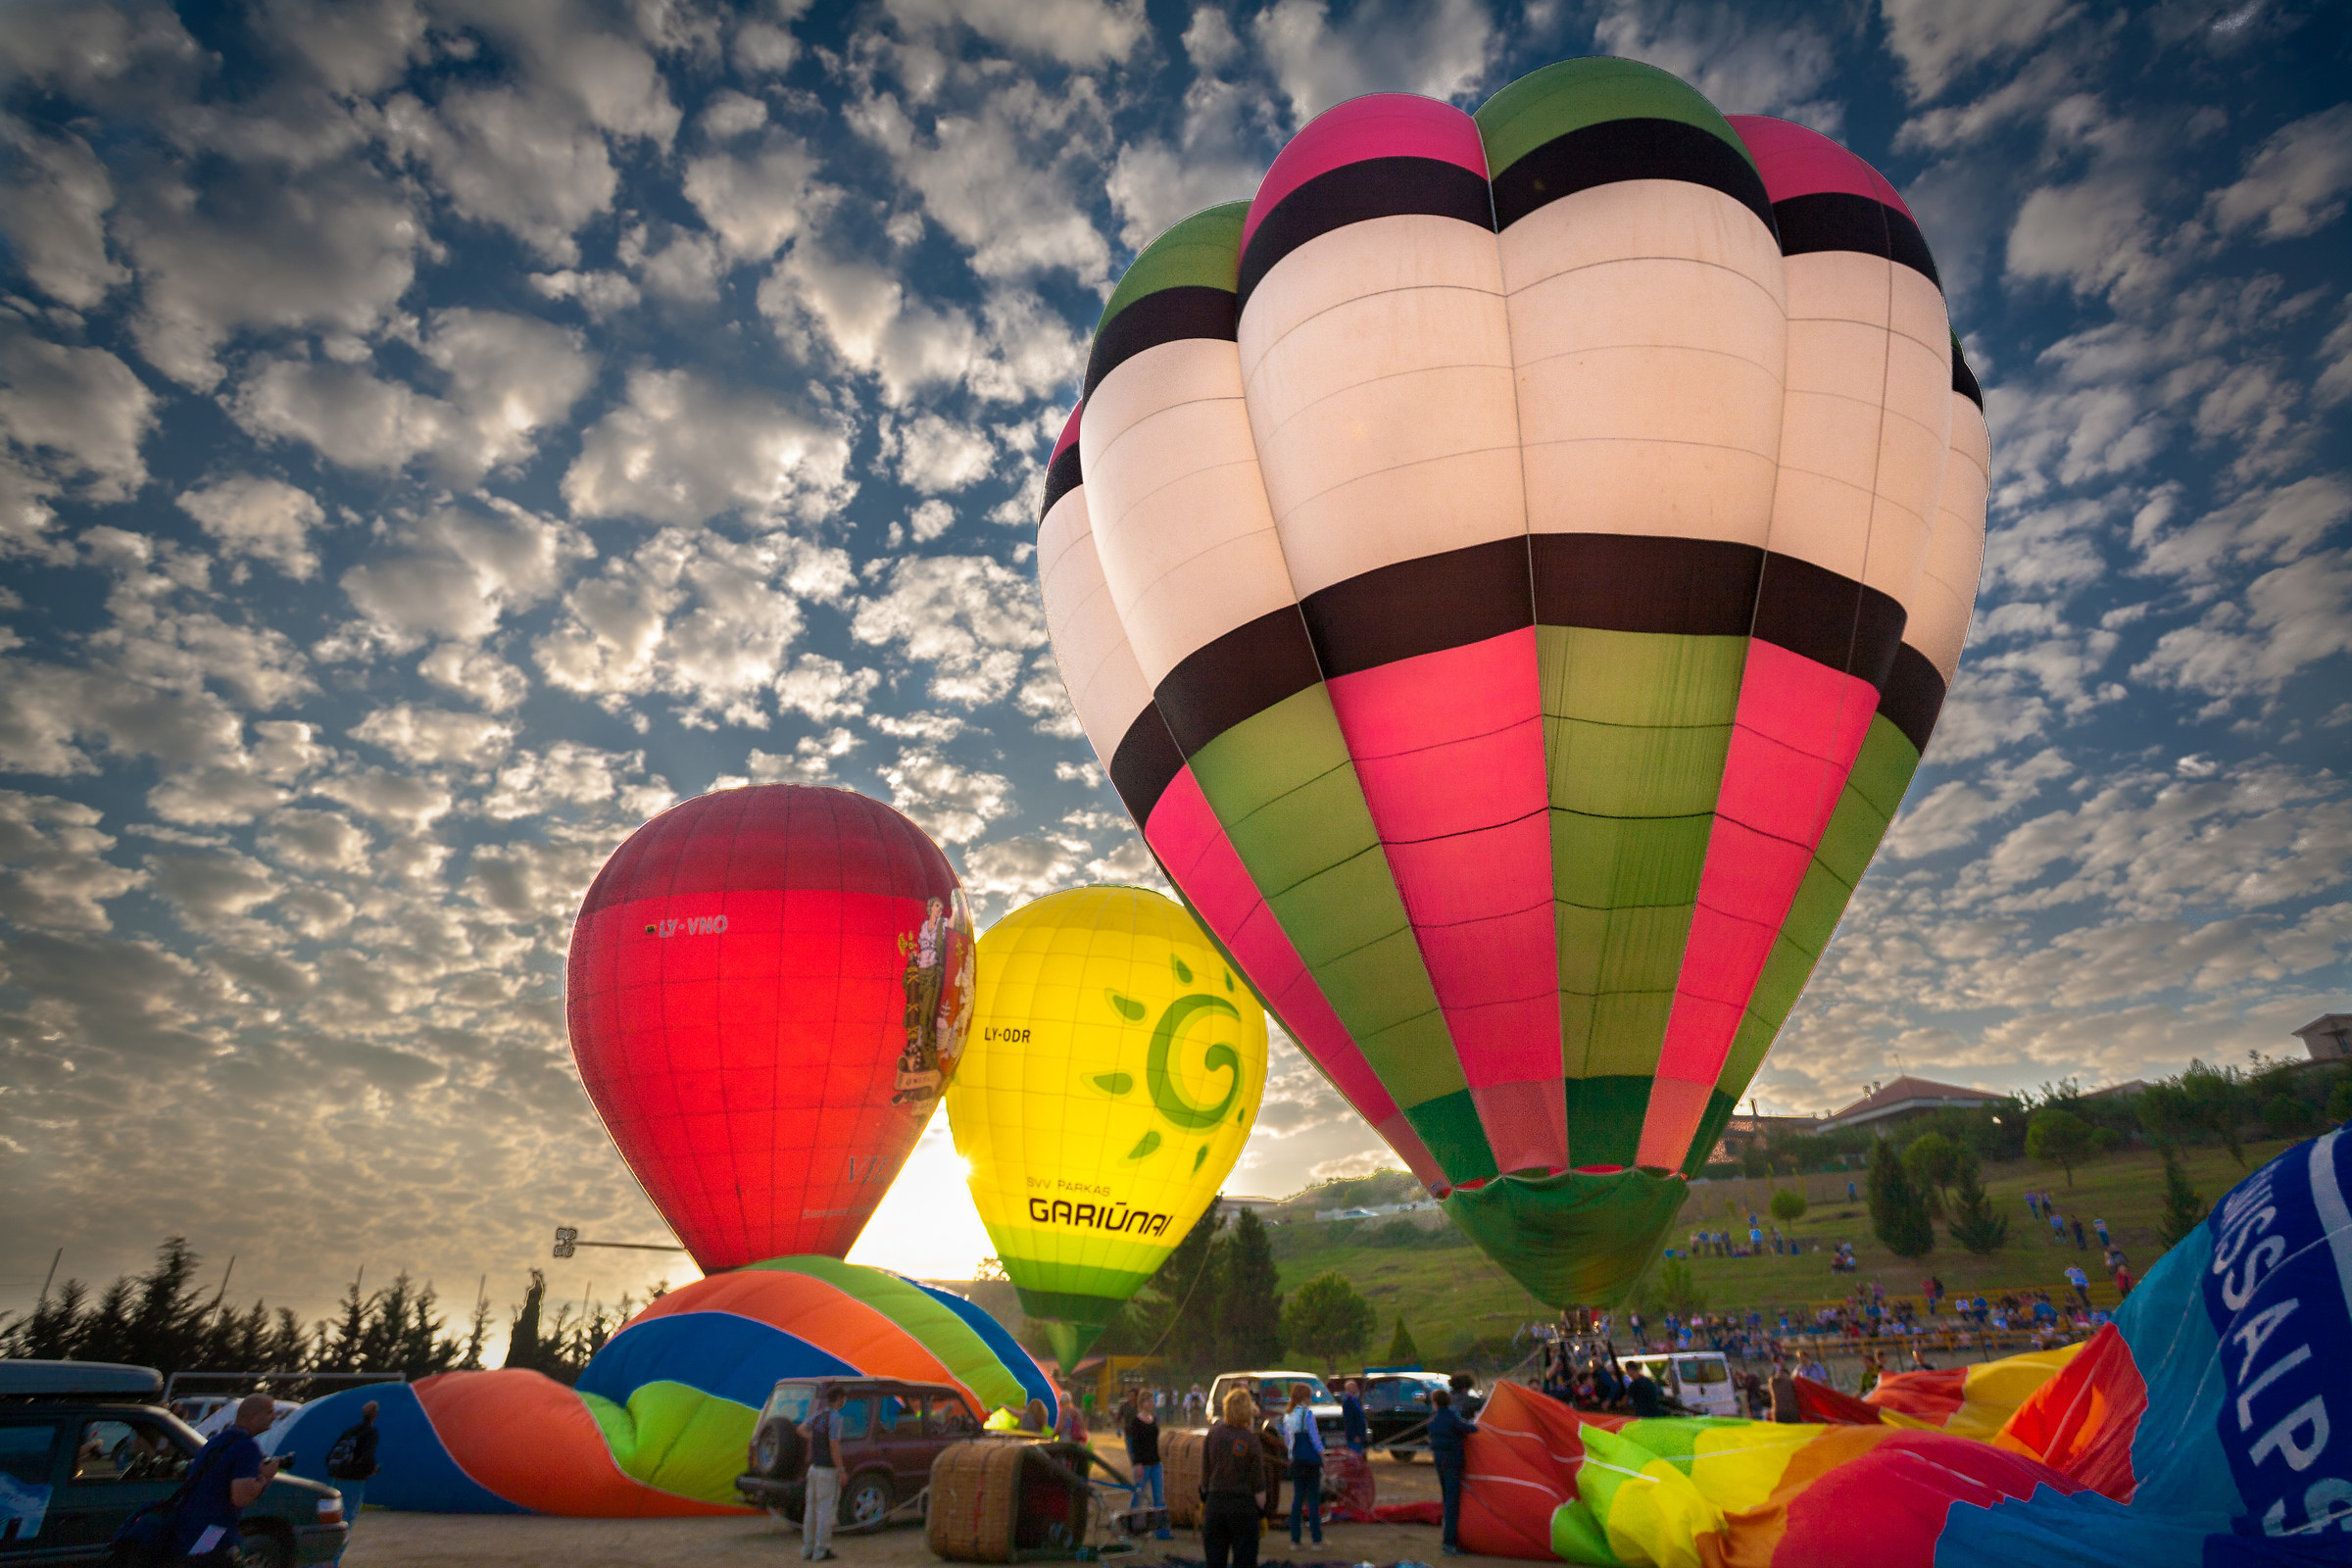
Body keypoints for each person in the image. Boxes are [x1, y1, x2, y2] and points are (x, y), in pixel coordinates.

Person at [171, 1393, 287, 1562]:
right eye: (269, 1412)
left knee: (197, 1561)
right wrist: (265, 1477)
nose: (274, 1416)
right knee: (206, 1561)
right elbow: (240, 1497)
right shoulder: (247, 1447)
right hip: (214, 1529)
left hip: (189, 1525)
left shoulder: (218, 1441)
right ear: (252, 1417)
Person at [1200, 1389, 1264, 1568]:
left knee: (1215, 1560)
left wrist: (1205, 1497)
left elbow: (1205, 1473)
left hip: (1215, 1505)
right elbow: (1258, 1480)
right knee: (1245, 1560)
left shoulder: (1213, 1435)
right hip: (1243, 1506)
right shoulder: (1250, 1440)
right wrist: (1262, 1511)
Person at [1428, 1386, 1477, 1556]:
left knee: (1447, 1499)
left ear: (1435, 1403)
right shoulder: (1451, 1418)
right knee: (1452, 1503)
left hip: (1439, 1463)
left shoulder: (1433, 1420)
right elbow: (1472, 1429)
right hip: (1453, 1464)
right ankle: (1449, 1542)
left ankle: (1448, 1539)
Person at [802, 1387, 847, 1561]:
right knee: (825, 1512)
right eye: (844, 1398)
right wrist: (841, 1470)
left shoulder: (819, 1416)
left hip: (813, 1469)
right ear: (839, 1399)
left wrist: (815, 1440)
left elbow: (801, 1429)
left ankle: (807, 1549)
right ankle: (821, 1550)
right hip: (827, 1470)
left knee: (810, 1511)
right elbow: (834, 1447)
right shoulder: (836, 1418)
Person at [1280, 1382, 1324, 1546]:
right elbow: (1314, 1438)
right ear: (1304, 1397)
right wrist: (1322, 1455)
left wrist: (1291, 1456)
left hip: (1296, 1461)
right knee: (1313, 1500)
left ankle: (1295, 1539)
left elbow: (1287, 1441)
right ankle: (1316, 1539)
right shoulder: (1307, 1414)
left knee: (1297, 1499)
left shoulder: (1288, 1415)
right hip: (1311, 1461)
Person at [1123, 1394, 1170, 1541]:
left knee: (1159, 1497)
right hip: (1142, 1464)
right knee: (1139, 1495)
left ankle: (1161, 1531)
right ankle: (1131, 1526)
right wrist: (1137, 1464)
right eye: (1148, 1400)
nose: (1151, 1403)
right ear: (1142, 1403)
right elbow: (1135, 1445)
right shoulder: (1136, 1422)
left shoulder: (1154, 1419)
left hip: (1155, 1462)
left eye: (1152, 1400)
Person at [1338, 1378, 1368, 1455]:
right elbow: (1350, 1420)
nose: (1357, 1388)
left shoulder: (1356, 1400)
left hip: (1359, 1434)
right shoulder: (1348, 1402)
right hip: (1354, 1436)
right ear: (1349, 1389)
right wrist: (1355, 1435)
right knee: (1354, 1455)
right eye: (1354, 1386)